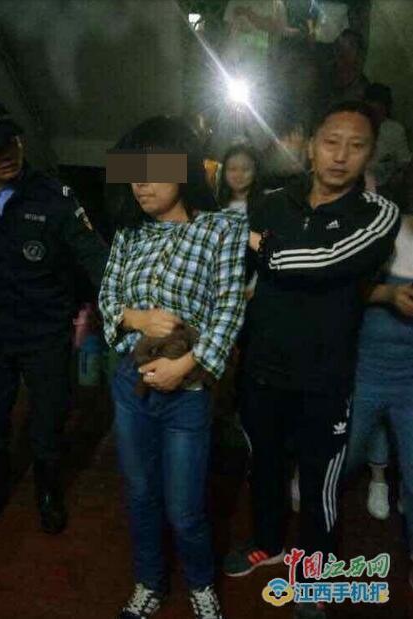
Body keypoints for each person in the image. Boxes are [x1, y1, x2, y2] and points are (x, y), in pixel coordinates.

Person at [223, 101, 400, 619]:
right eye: (331, 142)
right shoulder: (271, 202)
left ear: (370, 153)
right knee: (264, 464)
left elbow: (321, 262)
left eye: (356, 145)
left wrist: (262, 247)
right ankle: (267, 542)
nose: (341, 156)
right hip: (262, 367)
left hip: (325, 378)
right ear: (311, 146)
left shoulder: (377, 213)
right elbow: (238, 267)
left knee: (321, 482)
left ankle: (315, 577)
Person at [99, 116, 248, 619]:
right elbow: (108, 298)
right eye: (132, 173)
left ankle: (201, 585)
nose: (139, 184)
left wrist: (184, 366)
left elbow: (229, 309)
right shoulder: (128, 235)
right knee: (141, 495)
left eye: (152, 171)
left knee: (184, 508)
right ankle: (149, 583)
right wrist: (136, 317)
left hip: (188, 389)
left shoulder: (220, 229)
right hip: (131, 383)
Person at [0, 98, 108, 538]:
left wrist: (121, 303)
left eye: (11, 142)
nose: (7, 154)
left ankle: (48, 493)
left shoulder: (54, 196)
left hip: (44, 332)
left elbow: (94, 257)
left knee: (49, 418)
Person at [346, 214, 413, 589]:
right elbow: (342, 289)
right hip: (366, 371)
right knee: (343, 460)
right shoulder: (384, 227)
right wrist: (388, 294)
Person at [365, 82, 412, 197]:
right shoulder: (356, 127)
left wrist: (398, 176)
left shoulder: (395, 130)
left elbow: (404, 162)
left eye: (380, 109)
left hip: (385, 189)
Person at [217, 143, 261, 216]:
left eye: (245, 169)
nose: (239, 175)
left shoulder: (268, 201)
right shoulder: (216, 205)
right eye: (232, 169)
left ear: (255, 171)